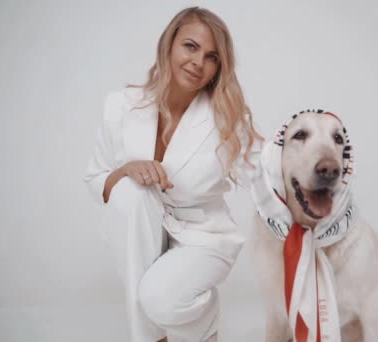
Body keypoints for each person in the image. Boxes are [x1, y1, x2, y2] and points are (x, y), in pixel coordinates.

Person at [84, 7, 261, 342]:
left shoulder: (225, 118)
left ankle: (203, 324)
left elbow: (267, 170)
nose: (198, 62)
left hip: (203, 236)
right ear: (168, 45)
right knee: (129, 191)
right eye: (190, 47)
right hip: (139, 232)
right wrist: (125, 170)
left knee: (159, 300)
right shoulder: (120, 105)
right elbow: (96, 180)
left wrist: (316, 154)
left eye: (211, 56)